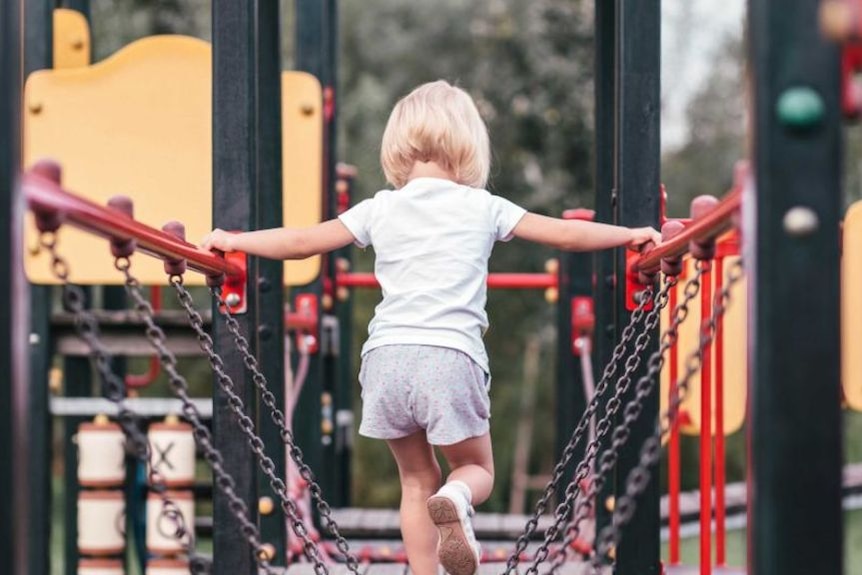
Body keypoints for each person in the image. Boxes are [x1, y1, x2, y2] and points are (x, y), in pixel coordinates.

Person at [202, 80, 661, 575]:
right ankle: (458, 497)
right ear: (468, 144)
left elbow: (301, 242)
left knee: (416, 481)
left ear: (398, 144)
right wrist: (630, 234)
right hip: (449, 358)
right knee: (475, 470)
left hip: (386, 360)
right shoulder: (483, 205)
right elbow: (566, 234)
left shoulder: (379, 207)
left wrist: (236, 239)